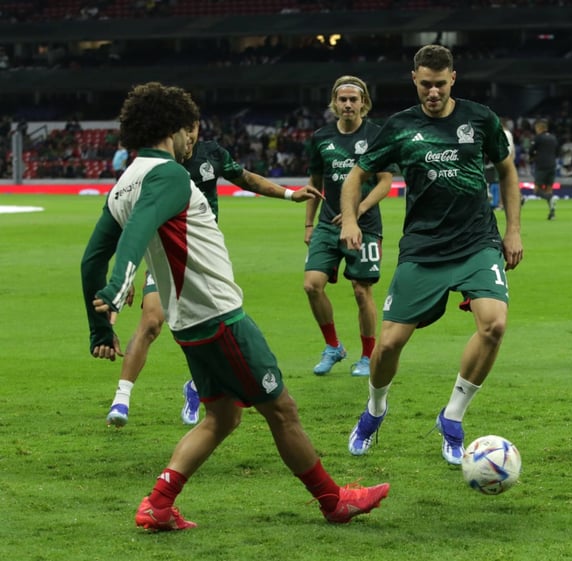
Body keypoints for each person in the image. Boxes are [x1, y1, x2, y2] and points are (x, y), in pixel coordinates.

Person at [81, 82, 389, 531]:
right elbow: (136, 234)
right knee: (282, 410)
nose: (194, 138)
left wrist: (98, 328)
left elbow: (91, 256)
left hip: (188, 324)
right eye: (190, 130)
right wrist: (115, 289)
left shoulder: (124, 182)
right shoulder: (168, 175)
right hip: (220, 318)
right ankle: (333, 500)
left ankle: (158, 503)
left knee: (222, 417)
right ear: (175, 130)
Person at [338, 44, 523, 465]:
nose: (433, 92)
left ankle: (452, 417)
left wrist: (513, 230)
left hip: (477, 241)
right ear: (414, 80)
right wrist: (350, 219)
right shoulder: (400, 127)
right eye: (426, 84)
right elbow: (356, 176)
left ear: (453, 79)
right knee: (388, 346)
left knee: (493, 325)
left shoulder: (479, 119)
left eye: (440, 84)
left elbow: (507, 170)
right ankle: (374, 410)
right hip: (423, 247)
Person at [103, 119, 323, 428]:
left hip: (205, 262)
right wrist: (127, 274)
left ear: (197, 129)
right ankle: (121, 399)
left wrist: (289, 195)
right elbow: (138, 223)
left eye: (192, 128)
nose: (188, 136)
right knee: (152, 322)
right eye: (182, 129)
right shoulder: (154, 168)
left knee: (211, 325)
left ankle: (197, 387)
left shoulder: (212, 154)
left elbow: (246, 179)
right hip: (165, 259)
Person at [303, 75, 394, 377]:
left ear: (364, 103)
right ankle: (334, 347)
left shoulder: (376, 135)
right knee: (311, 285)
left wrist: (356, 210)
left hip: (366, 225)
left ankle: (368, 356)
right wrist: (308, 224)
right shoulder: (321, 138)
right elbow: (315, 183)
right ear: (334, 103)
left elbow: (386, 182)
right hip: (328, 224)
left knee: (361, 290)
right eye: (342, 99)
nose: (348, 105)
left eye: (353, 99)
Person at [529, 119, 559, 220]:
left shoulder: (538, 138)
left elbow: (531, 150)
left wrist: (532, 157)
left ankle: (549, 198)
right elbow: (557, 151)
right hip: (552, 165)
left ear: (540, 128)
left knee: (536, 190)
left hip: (541, 166)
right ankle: (552, 213)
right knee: (549, 189)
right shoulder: (553, 138)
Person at [485, 118, 515, 210]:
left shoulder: (502, 133)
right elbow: (512, 149)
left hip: (502, 160)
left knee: (500, 183)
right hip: (509, 159)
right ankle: (514, 199)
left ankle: (501, 203)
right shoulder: (509, 133)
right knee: (506, 183)